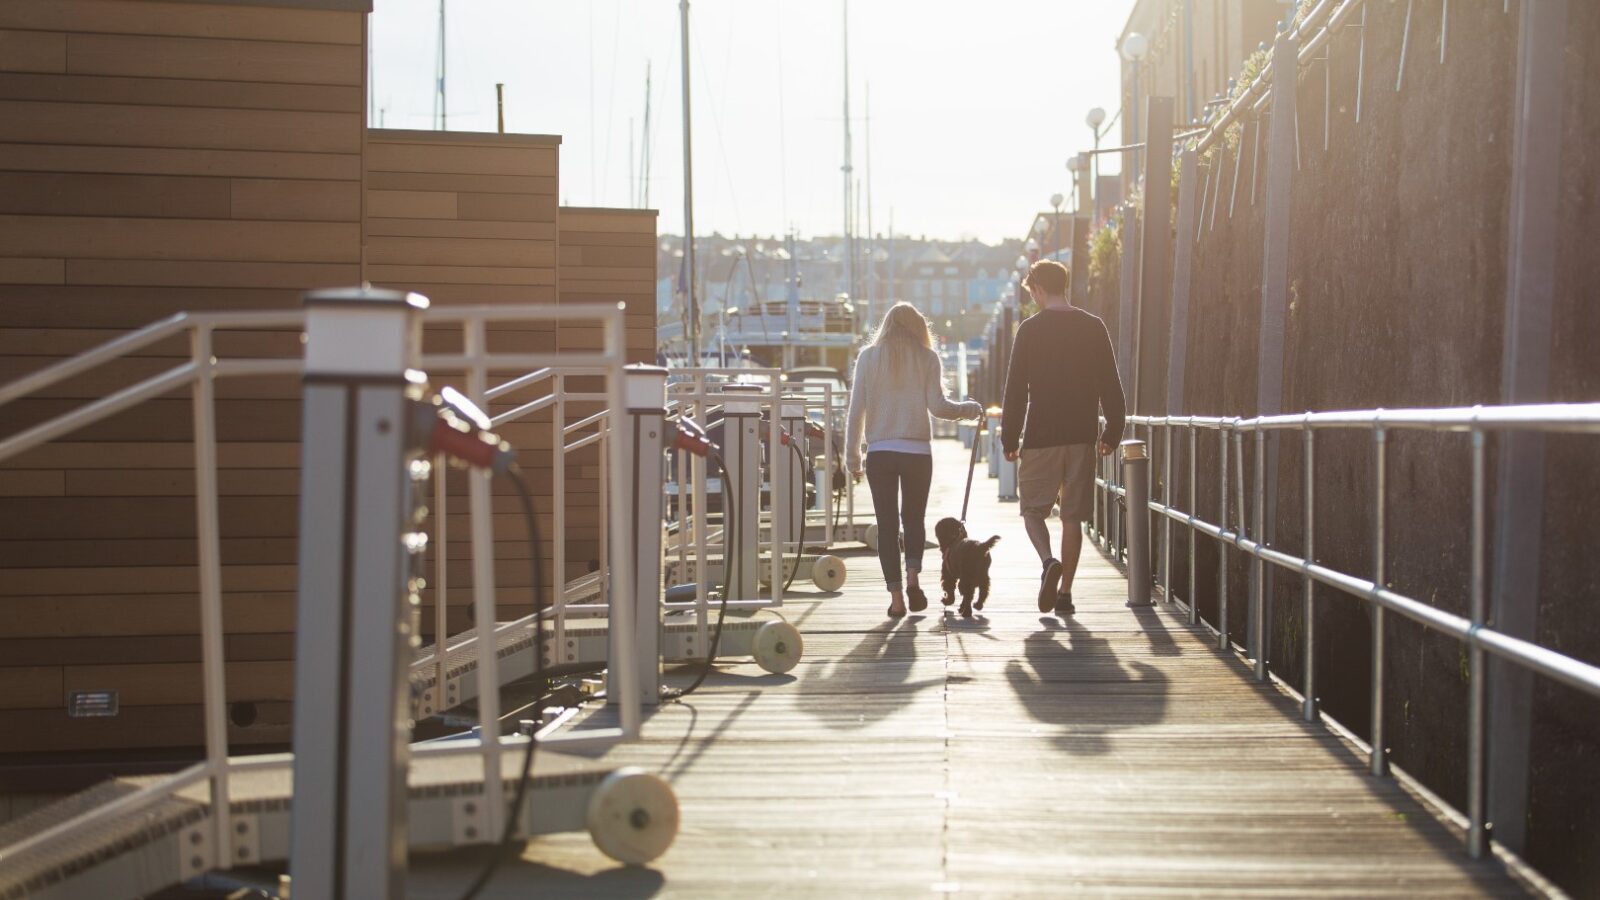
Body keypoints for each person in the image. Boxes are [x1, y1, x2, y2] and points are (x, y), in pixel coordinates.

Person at [1000, 259, 1126, 616]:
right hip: (1082, 435)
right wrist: (1112, 431)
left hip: (1041, 435)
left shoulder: (1030, 330)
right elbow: (1111, 386)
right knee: (1073, 517)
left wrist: (1009, 438)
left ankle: (1047, 562)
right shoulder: (1093, 327)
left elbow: (1015, 391)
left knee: (1032, 510)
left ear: (1038, 288)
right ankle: (1065, 594)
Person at [847, 302, 984, 617]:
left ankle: (896, 600)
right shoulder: (927, 358)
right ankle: (912, 579)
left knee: (886, 524)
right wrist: (969, 409)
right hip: (917, 453)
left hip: (880, 452)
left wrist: (852, 456)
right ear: (918, 328)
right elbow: (938, 406)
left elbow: (856, 411)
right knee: (913, 519)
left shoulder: (867, 358)